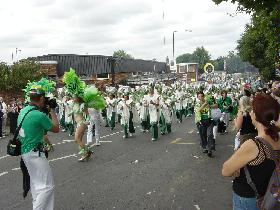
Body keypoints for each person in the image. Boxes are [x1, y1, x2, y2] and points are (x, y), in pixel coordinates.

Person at [222, 93, 280, 210]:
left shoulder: (253, 145)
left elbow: (226, 170)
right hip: (270, 195)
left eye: (253, 110)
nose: (251, 112)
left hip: (249, 198)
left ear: (257, 116)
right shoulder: (277, 138)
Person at [19, 87, 59, 210]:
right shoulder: (38, 115)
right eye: (44, 99)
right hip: (35, 154)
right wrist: (52, 110)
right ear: (41, 98)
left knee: (37, 186)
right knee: (47, 187)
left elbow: (37, 129)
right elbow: (56, 128)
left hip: (25, 153)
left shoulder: (24, 110)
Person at [194, 91, 217, 157]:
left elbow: (216, 106)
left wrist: (209, 105)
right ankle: (205, 147)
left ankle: (209, 150)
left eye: (202, 96)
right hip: (201, 122)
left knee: (210, 134)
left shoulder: (208, 101)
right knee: (203, 135)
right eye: (199, 96)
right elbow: (198, 110)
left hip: (209, 121)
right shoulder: (197, 103)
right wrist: (205, 104)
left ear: (204, 96)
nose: (200, 98)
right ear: (197, 97)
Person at [72, 95, 92, 162]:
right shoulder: (75, 104)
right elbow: (74, 111)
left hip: (82, 123)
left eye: (74, 97)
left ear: (78, 98)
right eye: (73, 97)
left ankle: (86, 153)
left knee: (77, 139)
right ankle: (87, 152)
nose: (73, 98)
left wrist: (88, 121)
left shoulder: (82, 105)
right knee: (78, 140)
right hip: (78, 123)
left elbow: (88, 114)